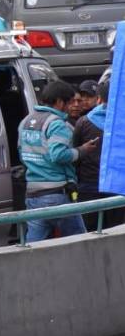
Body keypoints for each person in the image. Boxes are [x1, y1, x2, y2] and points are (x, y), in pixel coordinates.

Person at [18, 80, 100, 243]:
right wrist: (82, 150)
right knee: (80, 243)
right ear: (59, 102)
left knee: (33, 246)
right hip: (57, 194)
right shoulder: (57, 124)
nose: (72, 106)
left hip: (33, 194)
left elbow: (22, 154)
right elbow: (59, 155)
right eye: (69, 102)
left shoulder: (26, 121)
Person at [72, 81, 123, 231]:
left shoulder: (83, 121)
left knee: (91, 232)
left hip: (89, 186)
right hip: (117, 185)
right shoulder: (121, 121)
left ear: (99, 98)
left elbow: (76, 153)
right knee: (116, 231)